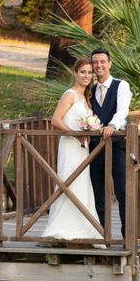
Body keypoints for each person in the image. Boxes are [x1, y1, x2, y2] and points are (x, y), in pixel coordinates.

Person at [41, 58, 104, 246]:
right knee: (68, 182)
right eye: (83, 72)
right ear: (75, 73)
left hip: (82, 149)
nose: (86, 76)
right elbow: (56, 120)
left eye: (89, 73)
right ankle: (62, 228)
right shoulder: (69, 95)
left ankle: (84, 228)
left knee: (82, 184)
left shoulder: (86, 98)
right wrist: (75, 135)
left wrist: (88, 132)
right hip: (70, 146)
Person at [89, 48, 132, 239]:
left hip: (116, 146)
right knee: (98, 192)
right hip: (95, 147)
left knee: (123, 191)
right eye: (95, 62)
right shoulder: (90, 89)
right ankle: (102, 236)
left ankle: (127, 236)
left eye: (102, 61)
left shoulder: (120, 85)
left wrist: (113, 125)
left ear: (109, 64)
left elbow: (122, 110)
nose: (99, 65)